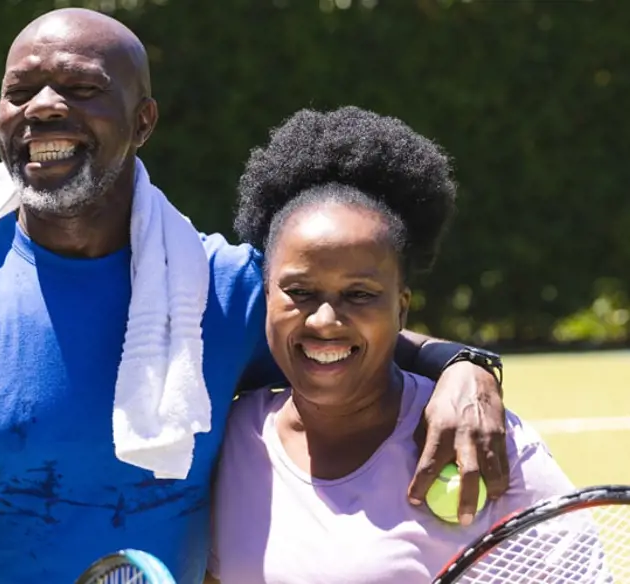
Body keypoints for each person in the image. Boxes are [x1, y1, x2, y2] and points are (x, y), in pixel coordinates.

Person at [0, 8, 511, 584]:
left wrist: (463, 366)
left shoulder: (218, 289)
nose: (43, 107)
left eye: (80, 87)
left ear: (143, 121)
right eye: (20, 89)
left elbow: (344, 333)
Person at [207, 107, 574, 583]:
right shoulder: (234, 438)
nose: (324, 320)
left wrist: (465, 364)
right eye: (299, 292)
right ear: (266, 294)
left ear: (402, 308)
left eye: (359, 295)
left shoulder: (485, 442)